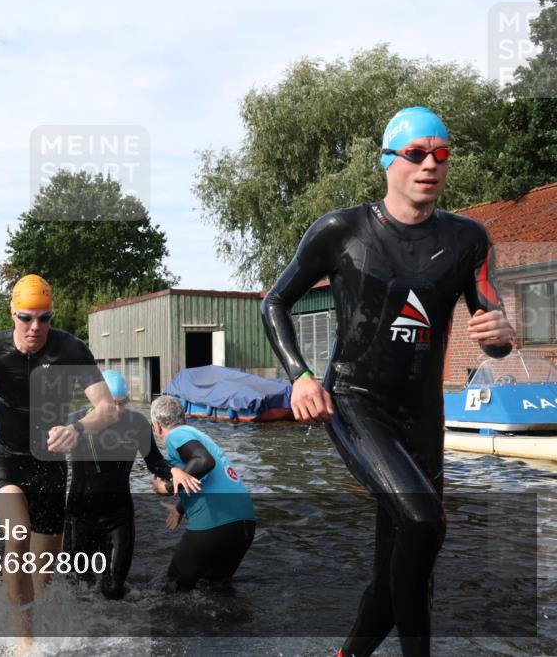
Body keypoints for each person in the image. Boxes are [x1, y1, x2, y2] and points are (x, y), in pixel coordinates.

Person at [260, 106, 514, 657]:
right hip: (357, 405)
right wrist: (301, 378)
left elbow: (492, 331)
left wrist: (500, 333)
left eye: (441, 154)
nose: (430, 164)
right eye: (416, 153)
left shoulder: (468, 238)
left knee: (407, 558)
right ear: (387, 162)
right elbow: (274, 303)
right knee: (425, 523)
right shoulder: (341, 230)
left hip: (423, 418)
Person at [0, 274, 117, 649]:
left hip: (50, 467)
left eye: (44, 318)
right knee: (16, 535)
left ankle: (34, 622)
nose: (35, 327)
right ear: (12, 314)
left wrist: (79, 428)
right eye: (26, 317)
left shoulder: (71, 350)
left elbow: (108, 409)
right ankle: (24, 642)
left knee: (42, 577)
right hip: (6, 461)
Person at [64, 370, 201, 600]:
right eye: (112, 404)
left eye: (123, 403)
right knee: (78, 588)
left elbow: (154, 462)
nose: (117, 410)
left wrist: (173, 472)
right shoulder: (76, 422)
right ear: (96, 401)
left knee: (113, 590)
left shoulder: (136, 423)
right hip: (80, 516)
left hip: (118, 516)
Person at [148, 395, 255, 592]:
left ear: (157, 426)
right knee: (215, 589)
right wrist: (180, 508)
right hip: (245, 523)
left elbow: (204, 461)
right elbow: (207, 478)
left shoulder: (175, 435)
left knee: (172, 587)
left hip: (217, 523)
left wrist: (168, 488)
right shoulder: (197, 435)